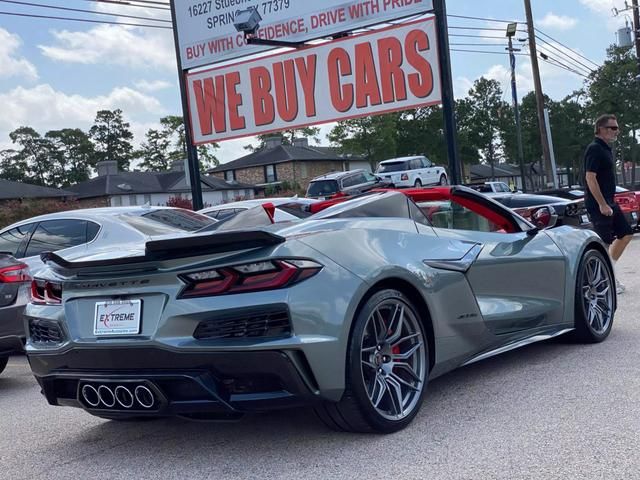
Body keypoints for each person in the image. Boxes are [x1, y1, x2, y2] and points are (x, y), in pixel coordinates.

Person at [584, 114, 633, 294]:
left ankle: (608, 272)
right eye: (613, 128)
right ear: (601, 129)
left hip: (609, 202)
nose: (617, 131)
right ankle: (601, 281)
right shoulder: (595, 148)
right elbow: (590, 177)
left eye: (617, 128)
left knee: (626, 234)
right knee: (603, 243)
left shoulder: (605, 149)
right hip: (599, 204)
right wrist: (602, 204)